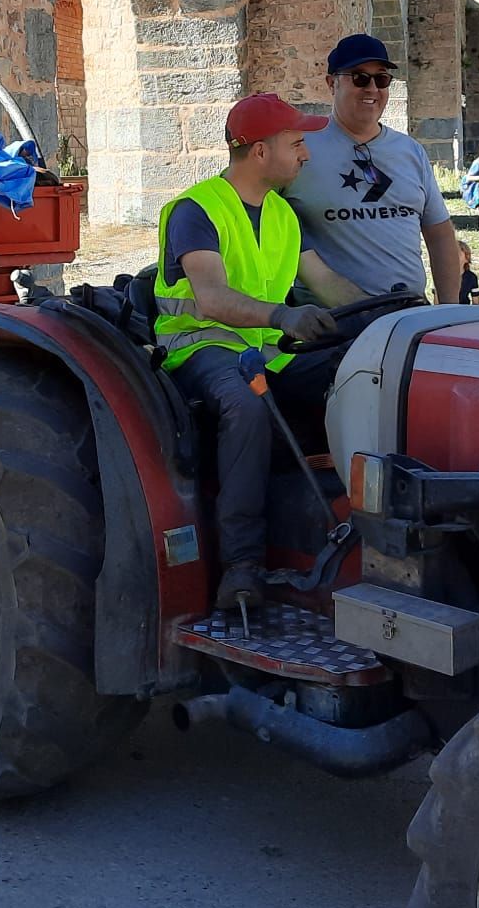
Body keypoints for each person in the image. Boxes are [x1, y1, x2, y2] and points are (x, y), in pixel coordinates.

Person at [155, 93, 367, 610]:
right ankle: (241, 567)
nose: (307, 154)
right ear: (258, 152)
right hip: (200, 347)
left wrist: (390, 313)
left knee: (361, 371)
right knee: (246, 404)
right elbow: (212, 298)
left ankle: (360, 519)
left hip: (265, 348)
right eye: (296, 144)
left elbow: (328, 283)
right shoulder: (196, 210)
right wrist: (283, 316)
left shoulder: (282, 214)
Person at [285, 33, 461, 308]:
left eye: (381, 79)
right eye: (359, 77)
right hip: (330, 323)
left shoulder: (410, 151)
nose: (372, 89)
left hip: (408, 314)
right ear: (332, 83)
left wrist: (449, 307)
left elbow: (439, 234)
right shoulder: (299, 149)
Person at [458, 239, 479, 305]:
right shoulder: (442, 276)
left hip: (464, 309)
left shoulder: (471, 277)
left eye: (458, 253)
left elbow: (476, 302)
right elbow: (436, 301)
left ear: (466, 258)